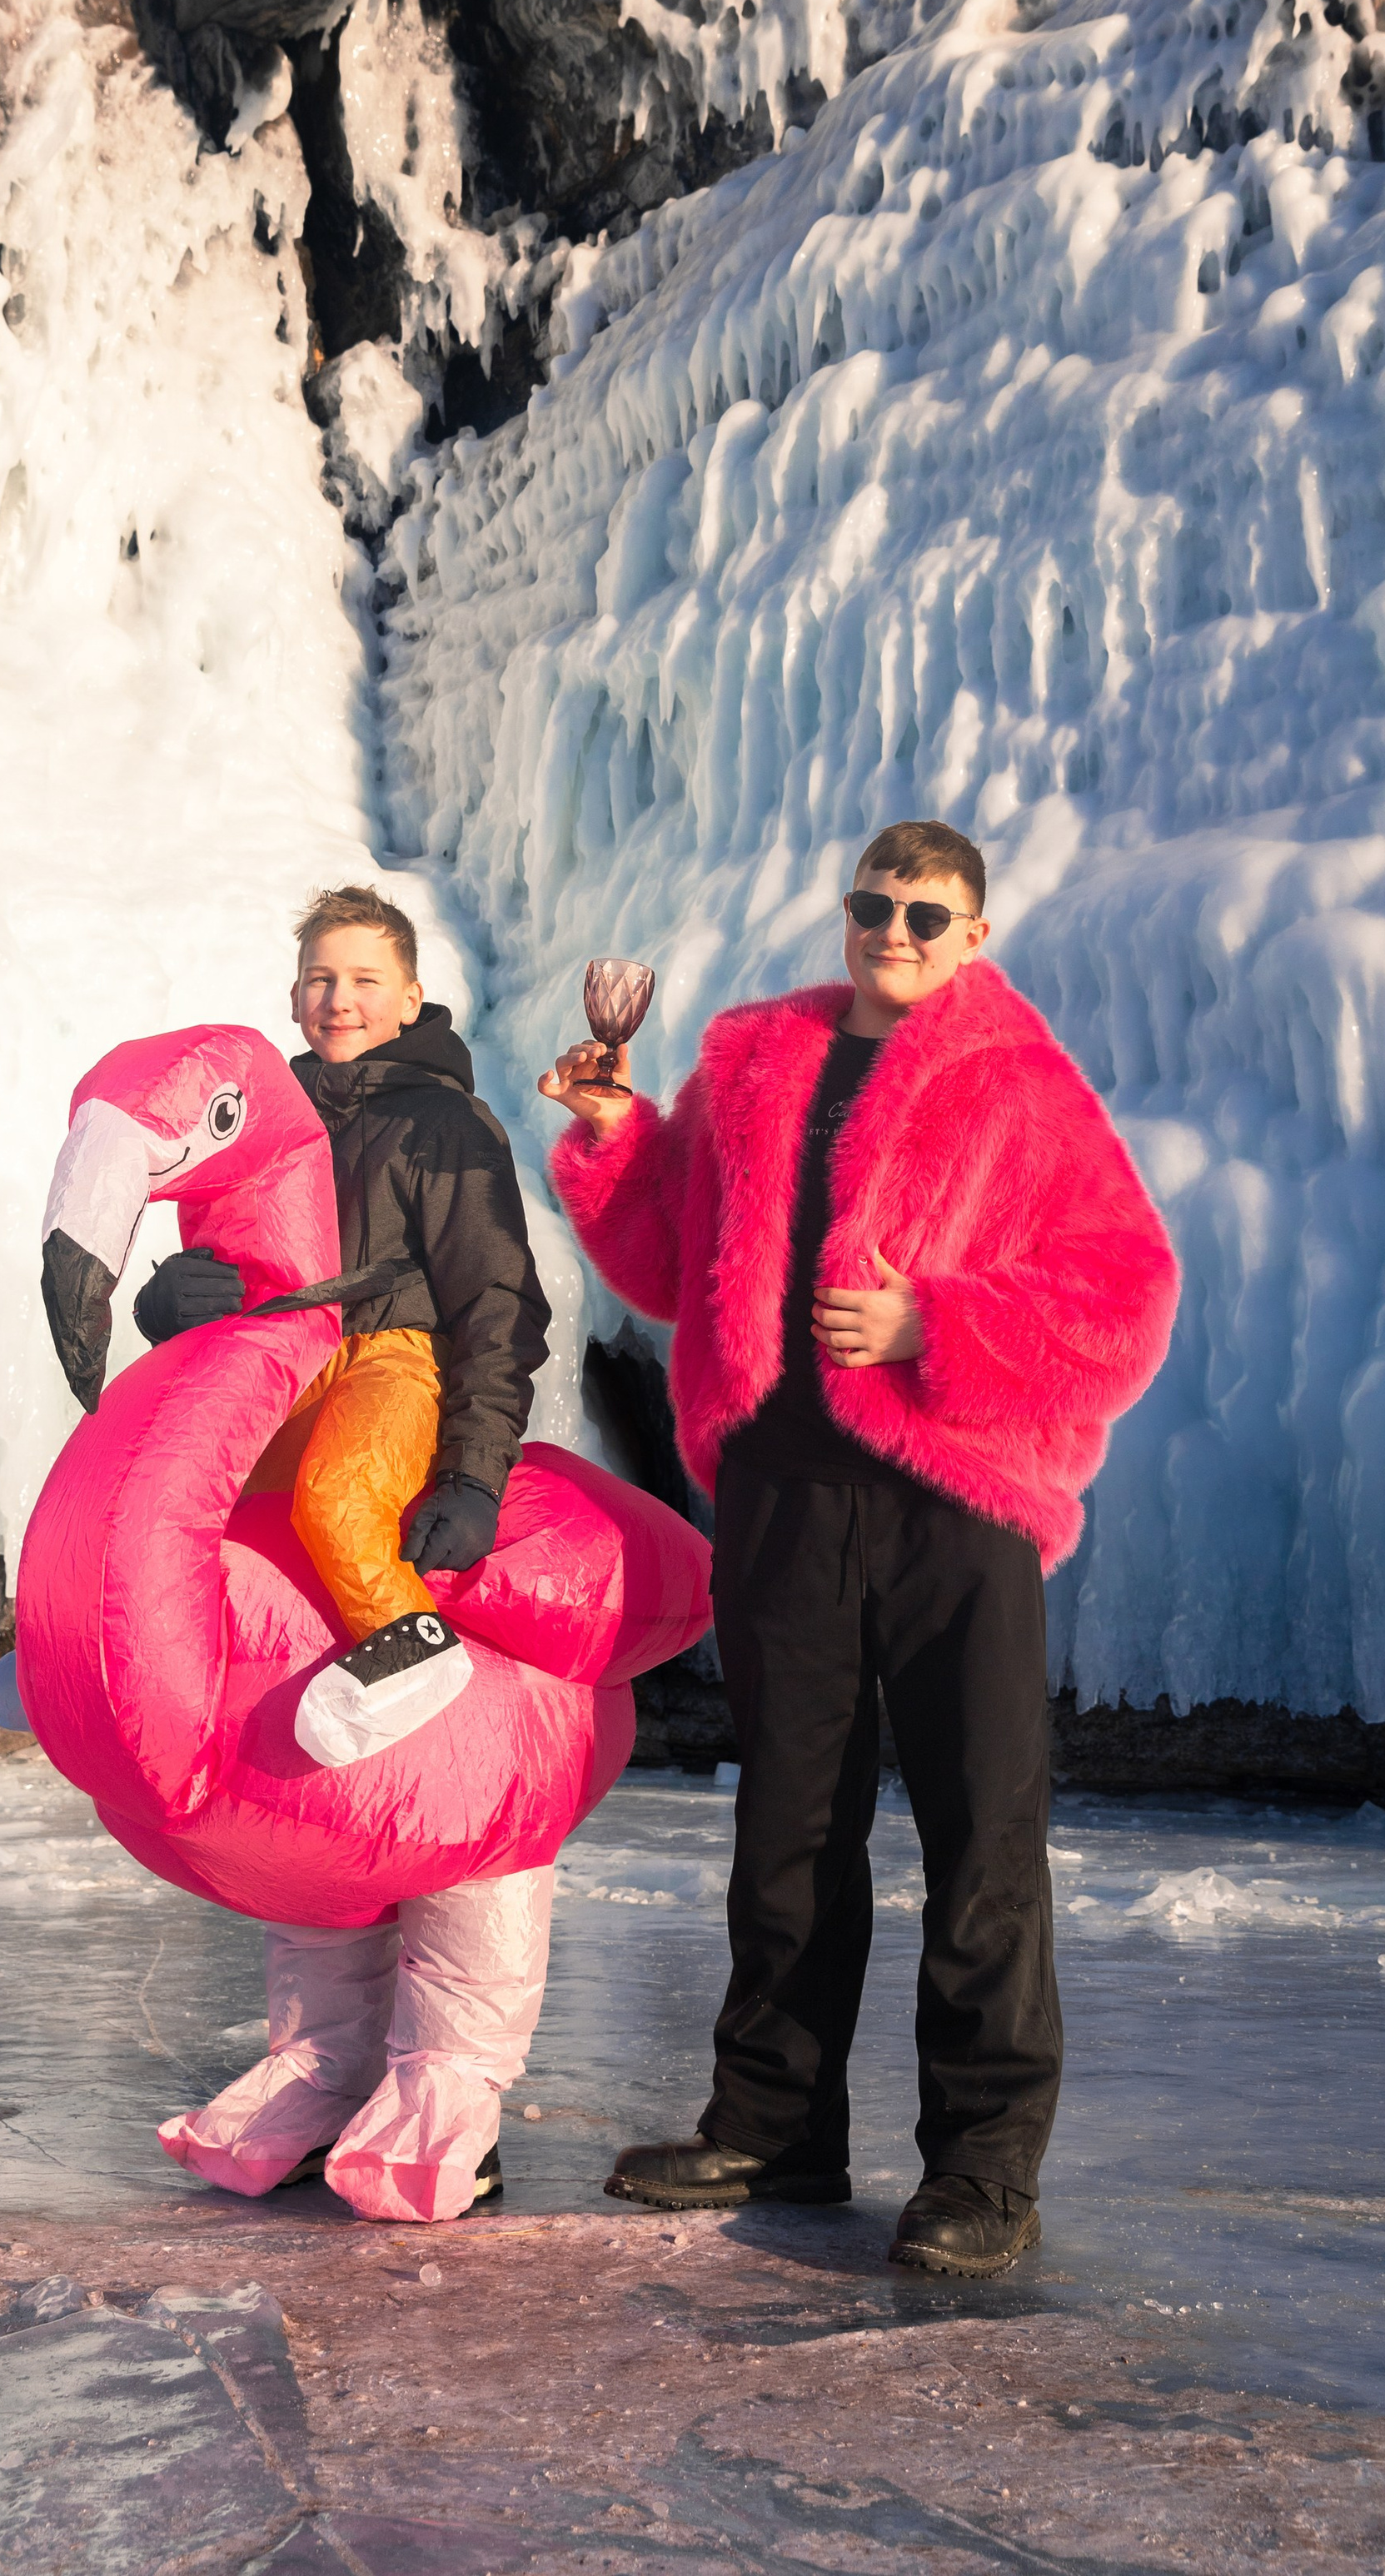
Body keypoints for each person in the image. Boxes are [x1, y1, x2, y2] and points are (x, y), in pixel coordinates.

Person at [540, 820, 1178, 2275]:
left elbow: (1127, 1295)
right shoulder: (754, 1058)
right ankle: (776, 2125)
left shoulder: (1020, 1082)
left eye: (926, 914)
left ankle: (984, 2170)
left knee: (982, 1832)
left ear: (974, 935)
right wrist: (611, 1136)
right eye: (874, 905)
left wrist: (932, 1326)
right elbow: (668, 1258)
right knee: (790, 1828)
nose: (894, 932)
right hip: (782, 1492)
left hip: (953, 1498)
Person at [136, 882, 551, 1763]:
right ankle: (87, 1647)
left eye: (366, 980)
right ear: (293, 997)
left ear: (410, 997)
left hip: (396, 1356)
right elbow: (225, 1257)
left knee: (339, 1494)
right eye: (321, 979)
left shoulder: (447, 1124)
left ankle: (415, 1648)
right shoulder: (262, 1120)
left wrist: (473, 1478)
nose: (340, 999)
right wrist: (165, 1299)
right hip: (283, 1359)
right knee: (173, 1484)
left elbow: (497, 1301)